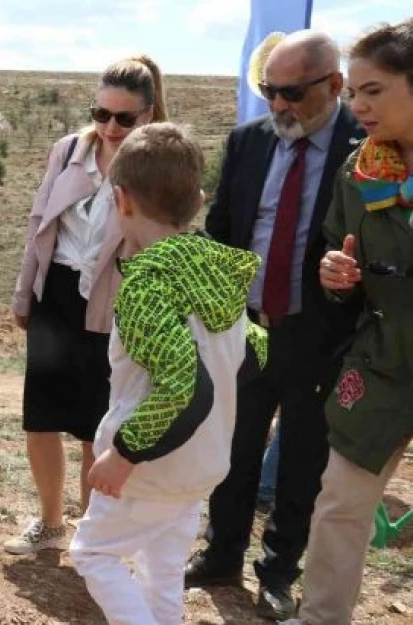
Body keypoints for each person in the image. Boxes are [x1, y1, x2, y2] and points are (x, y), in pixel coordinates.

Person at [189, 31, 363, 620]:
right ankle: (221, 552)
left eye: (291, 92)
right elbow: (223, 226)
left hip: (322, 337)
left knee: (302, 461)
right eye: (268, 91)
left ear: (334, 86)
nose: (279, 106)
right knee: (233, 449)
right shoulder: (247, 142)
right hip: (246, 328)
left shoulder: (366, 151)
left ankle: (279, 571)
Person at [68, 122, 268, 625]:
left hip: (148, 466)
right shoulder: (217, 269)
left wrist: (125, 454)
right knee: (163, 571)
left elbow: (185, 386)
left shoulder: (147, 284)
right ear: (198, 201)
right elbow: (255, 349)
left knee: (93, 555)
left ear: (122, 200)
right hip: (204, 460)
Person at [5, 55, 167, 555]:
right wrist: (23, 292)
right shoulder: (68, 151)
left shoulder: (157, 163)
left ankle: (92, 538)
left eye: (124, 118)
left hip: (114, 303)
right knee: (42, 416)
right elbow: (40, 224)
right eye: (101, 114)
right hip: (56, 294)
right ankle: (51, 526)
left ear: (148, 113)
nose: (110, 127)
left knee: (95, 428)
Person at [284, 19, 413, 625]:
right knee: (340, 500)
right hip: (385, 361)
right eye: (354, 92)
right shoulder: (359, 172)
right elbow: (341, 255)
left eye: (375, 91)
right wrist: (337, 274)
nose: (357, 106)